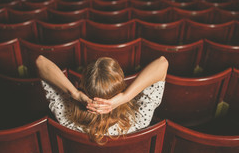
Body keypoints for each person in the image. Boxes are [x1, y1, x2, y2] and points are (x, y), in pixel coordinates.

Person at [36, 55, 168, 144]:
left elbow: (41, 62)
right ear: (121, 86)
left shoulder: (66, 116)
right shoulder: (137, 118)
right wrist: (125, 97)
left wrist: (75, 94)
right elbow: (162, 63)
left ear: (82, 84)